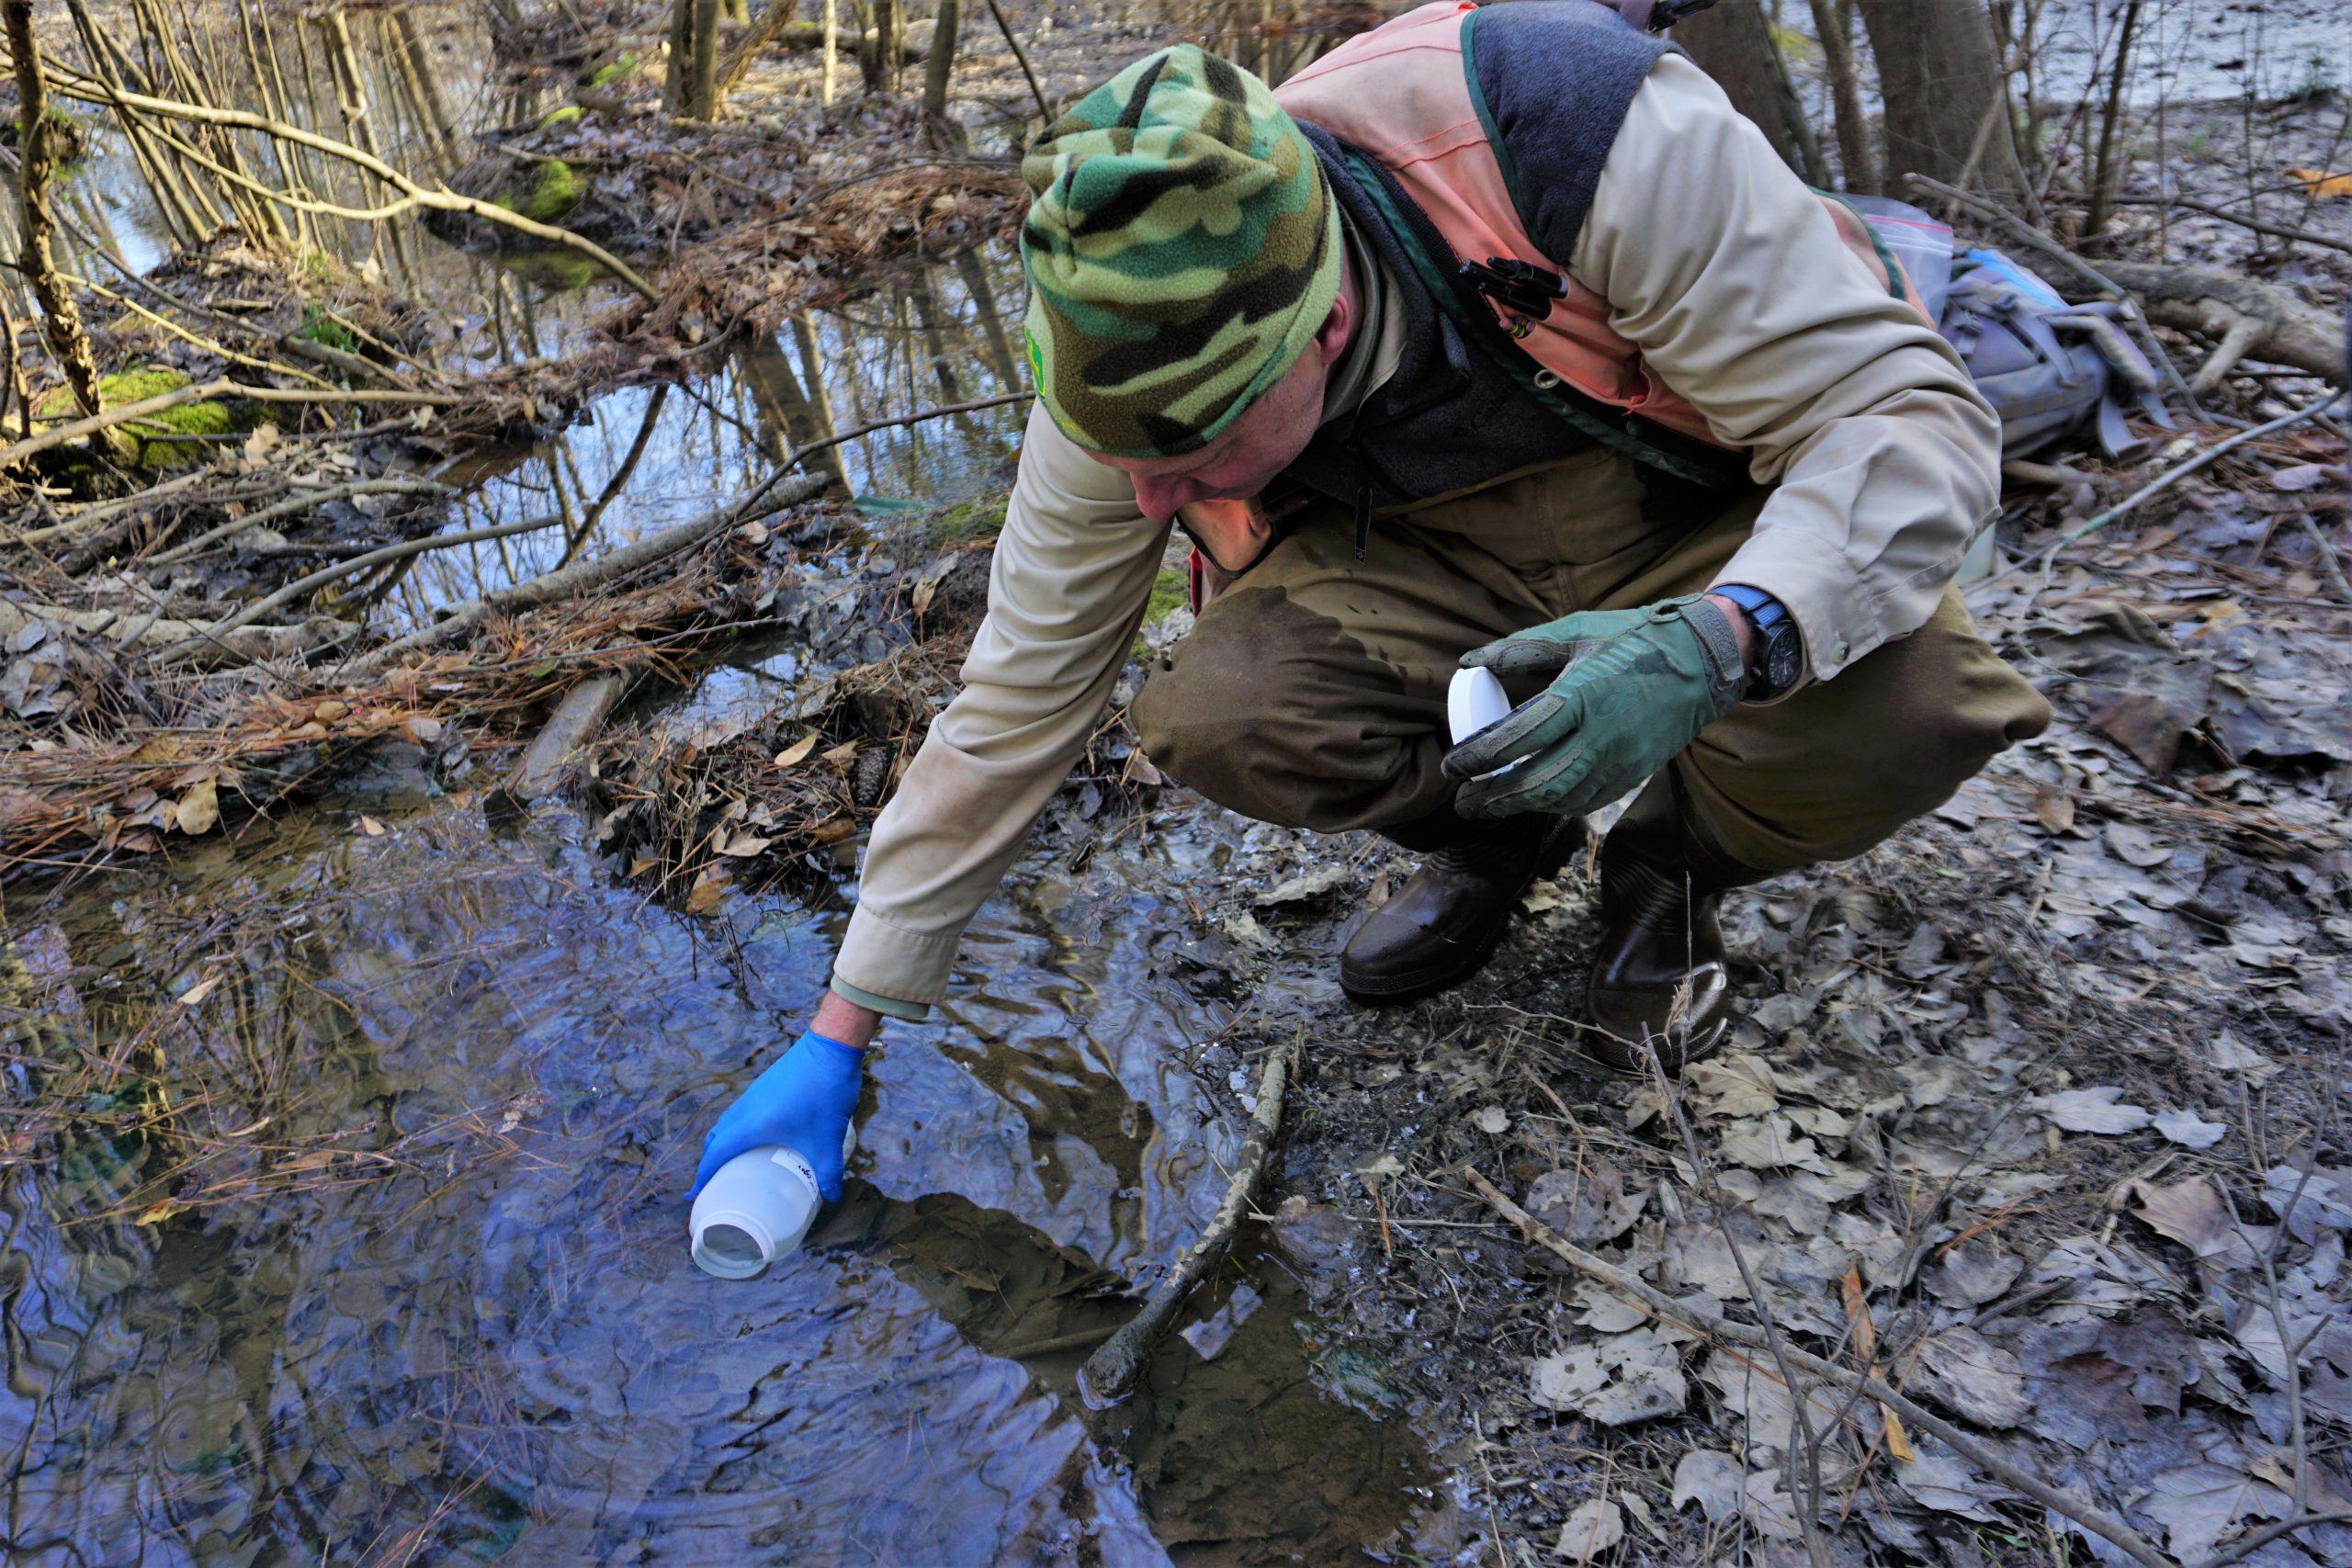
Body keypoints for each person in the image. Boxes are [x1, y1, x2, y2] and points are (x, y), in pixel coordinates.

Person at [691, 1, 2052, 1203]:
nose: (1156, 505)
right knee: (1222, 708)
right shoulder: (1121, 376)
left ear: (1325, 330)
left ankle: (1667, 873)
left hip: (1693, 513)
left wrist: (1723, 636)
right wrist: (842, 1026)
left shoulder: (1583, 139)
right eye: (1129, 466)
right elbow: (1013, 705)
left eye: (1199, 461)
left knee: (1913, 708)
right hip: (1408, 558)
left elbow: (1912, 420)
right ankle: (1503, 839)